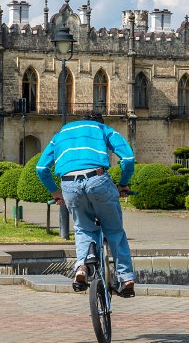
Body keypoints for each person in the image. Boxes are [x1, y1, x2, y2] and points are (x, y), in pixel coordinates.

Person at [36, 111, 136, 297]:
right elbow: (128, 159)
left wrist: (56, 193)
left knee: (83, 229)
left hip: (69, 184)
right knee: (114, 230)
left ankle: (82, 268)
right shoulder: (102, 128)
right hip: (97, 179)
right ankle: (126, 277)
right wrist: (123, 184)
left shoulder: (60, 134)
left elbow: (41, 168)